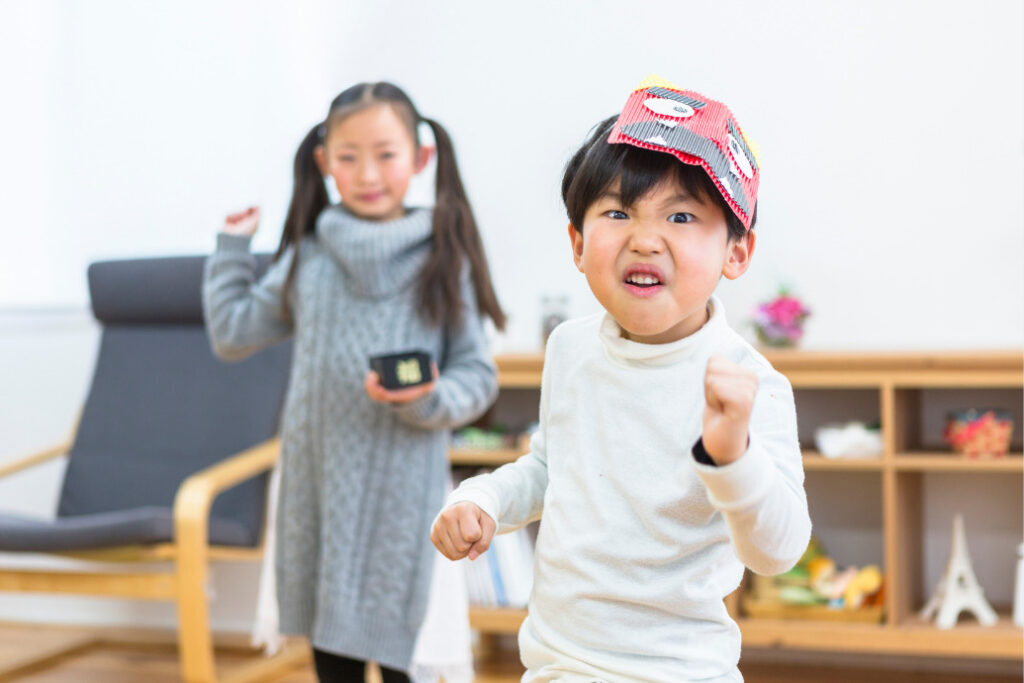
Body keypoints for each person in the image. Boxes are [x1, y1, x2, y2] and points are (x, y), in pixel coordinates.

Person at [431, 76, 812, 682]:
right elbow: (552, 470)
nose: (644, 239)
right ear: (578, 243)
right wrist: (484, 499)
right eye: (617, 212)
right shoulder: (571, 348)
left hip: (682, 672)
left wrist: (733, 456)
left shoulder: (747, 382)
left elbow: (777, 550)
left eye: (681, 215)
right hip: (559, 665)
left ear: (736, 253)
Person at [203, 81, 505, 682]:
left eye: (386, 154)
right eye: (348, 156)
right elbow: (232, 333)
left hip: (406, 503)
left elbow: (477, 376)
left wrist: (426, 399)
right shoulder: (308, 257)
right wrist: (233, 249)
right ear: (324, 162)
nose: (367, 172)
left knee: (402, 659)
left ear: (420, 159)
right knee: (331, 653)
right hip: (317, 492)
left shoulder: (445, 259)